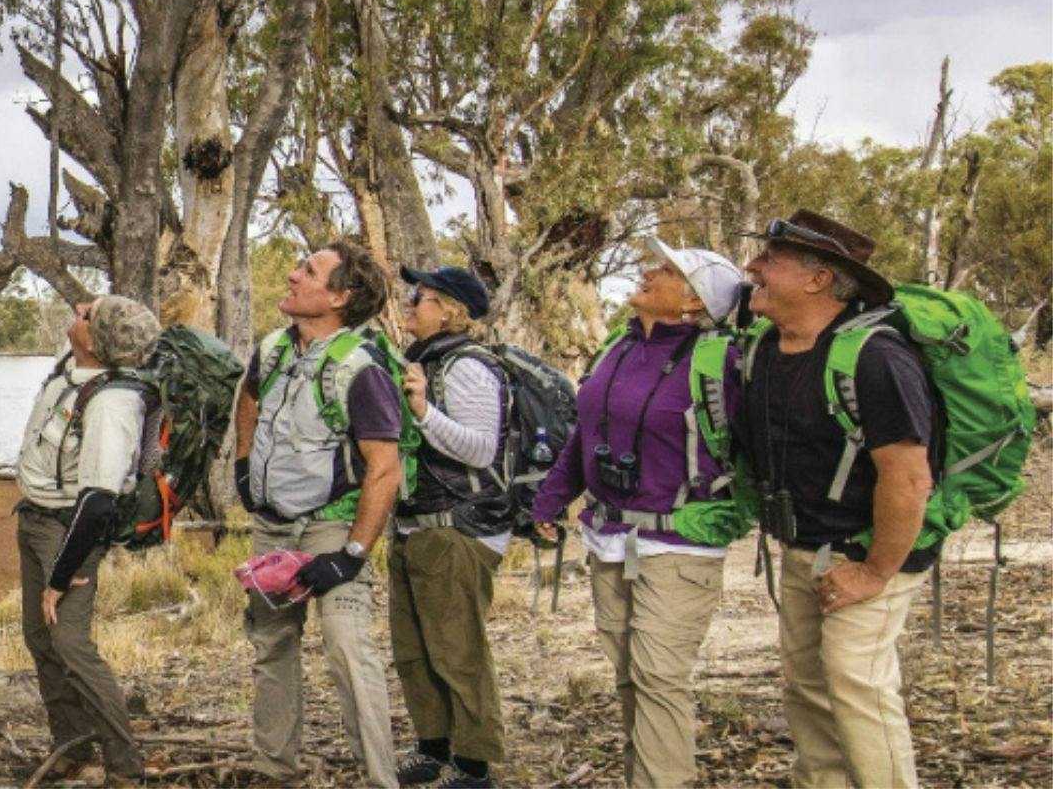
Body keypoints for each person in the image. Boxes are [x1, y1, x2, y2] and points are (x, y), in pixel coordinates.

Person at [532, 239, 746, 789]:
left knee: (659, 676)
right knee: (630, 675)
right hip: (609, 536)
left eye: (668, 270)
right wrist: (554, 497)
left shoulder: (719, 361)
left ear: (696, 302)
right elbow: (588, 432)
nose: (649, 272)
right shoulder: (618, 347)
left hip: (681, 543)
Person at [737, 211, 937, 789]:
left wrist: (874, 572)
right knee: (806, 687)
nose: (752, 268)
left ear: (818, 280)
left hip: (868, 553)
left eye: (769, 260)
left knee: (857, 687)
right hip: (804, 548)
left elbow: (907, 478)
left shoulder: (877, 360)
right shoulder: (767, 350)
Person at [232, 240, 403, 789]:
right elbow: (249, 398)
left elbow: (383, 469)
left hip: (334, 524)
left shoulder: (360, 368)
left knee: (348, 645)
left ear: (340, 297)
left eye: (308, 271)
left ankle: (382, 779)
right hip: (273, 525)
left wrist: (351, 556)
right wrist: (243, 463)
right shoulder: (274, 348)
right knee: (272, 644)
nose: (291, 275)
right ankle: (273, 768)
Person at [14, 295, 162, 787]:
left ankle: (125, 767)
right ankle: (71, 749)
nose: (78, 309)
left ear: (96, 342)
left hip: (67, 531)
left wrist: (61, 577)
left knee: (70, 643)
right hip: (35, 521)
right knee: (41, 639)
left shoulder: (113, 403)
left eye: (87, 313)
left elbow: (98, 501)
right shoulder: (71, 374)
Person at [388, 265, 509, 788]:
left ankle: (475, 763)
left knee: (458, 650)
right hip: (416, 525)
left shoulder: (467, 367)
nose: (409, 304)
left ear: (452, 309)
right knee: (413, 650)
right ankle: (434, 748)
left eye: (420, 296)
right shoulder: (420, 360)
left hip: (459, 528)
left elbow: (482, 448)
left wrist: (421, 411)